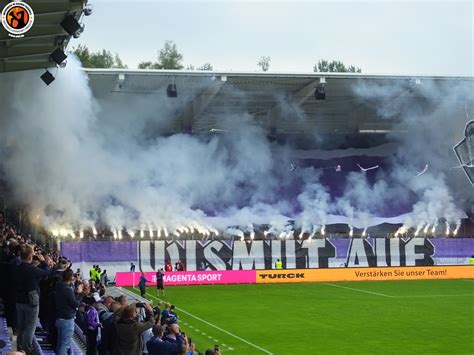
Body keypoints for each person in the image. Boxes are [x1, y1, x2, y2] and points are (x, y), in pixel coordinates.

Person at [15, 245, 51, 354]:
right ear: (31, 256)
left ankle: (19, 348)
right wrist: (43, 261)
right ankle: (25, 351)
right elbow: (47, 272)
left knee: (21, 327)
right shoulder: (32, 270)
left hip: (19, 301)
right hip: (31, 303)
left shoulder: (17, 267)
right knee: (30, 328)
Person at [55, 268, 83, 355]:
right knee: (64, 346)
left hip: (60, 318)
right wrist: (79, 293)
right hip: (66, 320)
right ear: (71, 278)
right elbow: (75, 304)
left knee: (60, 344)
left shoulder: (59, 286)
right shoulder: (67, 289)